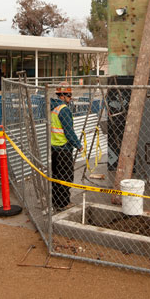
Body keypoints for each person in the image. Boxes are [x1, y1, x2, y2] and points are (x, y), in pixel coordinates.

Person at [50, 81, 82, 212]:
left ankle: (57, 201)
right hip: (64, 149)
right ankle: (64, 203)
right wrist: (78, 145)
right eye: (68, 96)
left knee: (57, 176)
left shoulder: (54, 108)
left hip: (55, 148)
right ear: (62, 96)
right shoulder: (64, 110)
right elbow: (69, 132)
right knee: (66, 176)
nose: (70, 99)